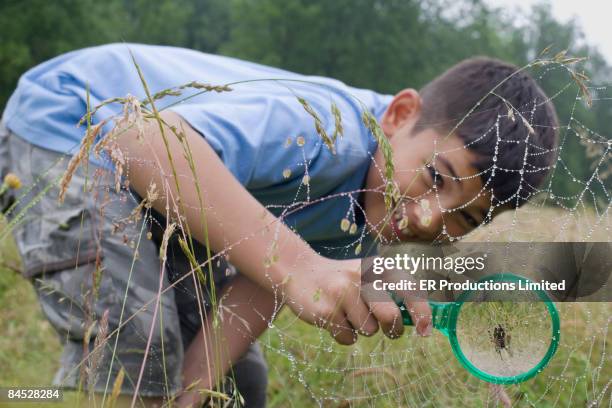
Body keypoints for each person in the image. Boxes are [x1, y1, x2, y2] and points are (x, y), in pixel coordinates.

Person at [0, 43, 558, 407]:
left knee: (236, 388)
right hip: (71, 131)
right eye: (437, 178)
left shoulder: (382, 198)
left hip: (153, 183)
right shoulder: (326, 132)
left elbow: (261, 280)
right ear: (399, 115)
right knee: (141, 355)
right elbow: (142, 138)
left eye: (464, 217)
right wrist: (302, 267)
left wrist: (191, 394)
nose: (430, 218)